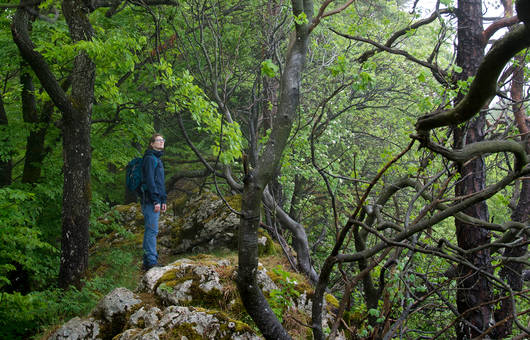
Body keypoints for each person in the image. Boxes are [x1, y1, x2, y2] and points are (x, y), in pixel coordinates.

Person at [141, 133, 167, 270]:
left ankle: (147, 260)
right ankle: (151, 261)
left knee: (150, 230)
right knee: (152, 231)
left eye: (163, 140)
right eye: (158, 140)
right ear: (152, 143)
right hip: (150, 201)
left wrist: (163, 200)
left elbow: (160, 183)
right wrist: (156, 200)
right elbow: (150, 182)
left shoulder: (157, 159)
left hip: (156, 200)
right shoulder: (150, 159)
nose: (162, 142)